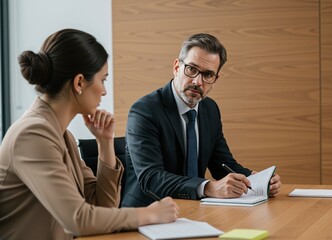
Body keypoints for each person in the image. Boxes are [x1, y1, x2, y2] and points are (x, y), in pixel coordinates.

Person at [0, 29, 179, 240]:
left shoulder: (60, 134)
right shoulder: (33, 135)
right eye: (102, 80)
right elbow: (79, 220)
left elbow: (102, 206)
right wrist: (149, 213)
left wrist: (105, 142)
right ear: (79, 83)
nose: (104, 91)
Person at [122, 33, 281, 207]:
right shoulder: (145, 111)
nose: (198, 81)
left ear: (215, 80)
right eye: (191, 69)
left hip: (193, 209)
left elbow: (223, 164)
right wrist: (208, 188)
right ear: (176, 67)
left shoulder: (209, 109)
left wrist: (256, 181)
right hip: (145, 214)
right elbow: (151, 178)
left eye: (208, 75)